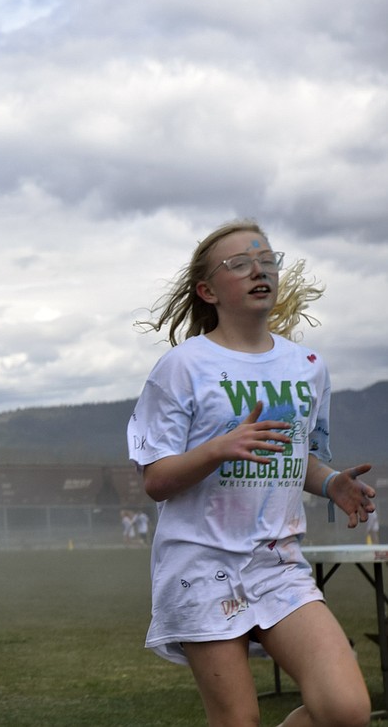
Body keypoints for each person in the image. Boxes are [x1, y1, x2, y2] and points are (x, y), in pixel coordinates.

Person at [127, 219, 375, 726]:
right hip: (201, 565)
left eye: (266, 260)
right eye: (239, 264)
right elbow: (156, 480)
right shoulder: (183, 366)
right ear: (207, 290)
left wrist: (330, 482)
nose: (258, 270)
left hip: (277, 564)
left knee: (346, 710)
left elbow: (290, 455)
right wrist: (220, 448)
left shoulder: (306, 365)